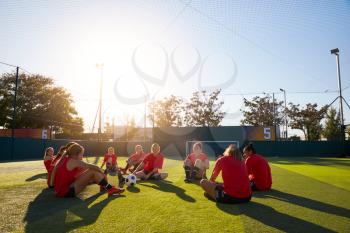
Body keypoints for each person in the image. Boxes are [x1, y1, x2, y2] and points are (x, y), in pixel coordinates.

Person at [54, 143, 124, 197]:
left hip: (61, 191)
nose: (82, 157)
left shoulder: (66, 159)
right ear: (76, 154)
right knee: (92, 171)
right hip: (66, 192)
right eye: (81, 154)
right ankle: (110, 188)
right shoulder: (74, 161)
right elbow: (94, 167)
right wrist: (103, 172)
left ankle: (107, 187)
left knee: (92, 173)